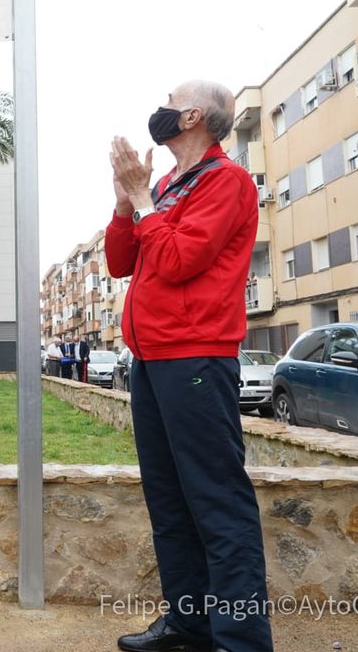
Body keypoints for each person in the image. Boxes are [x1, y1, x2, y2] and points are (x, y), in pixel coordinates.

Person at [105, 80, 271, 652]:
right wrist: (128, 204)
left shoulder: (227, 182)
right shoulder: (171, 185)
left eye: (171, 102)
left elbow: (177, 261)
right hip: (152, 362)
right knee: (170, 502)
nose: (161, 109)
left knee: (217, 503)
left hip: (196, 359)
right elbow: (120, 262)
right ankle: (190, 623)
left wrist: (147, 205)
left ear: (194, 115)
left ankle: (241, 640)